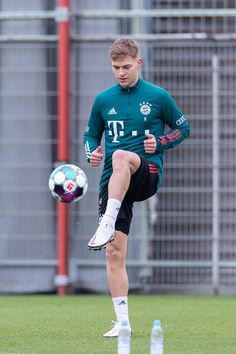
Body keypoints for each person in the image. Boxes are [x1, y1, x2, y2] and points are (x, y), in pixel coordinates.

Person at [83, 38, 190, 337]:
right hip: (113, 182)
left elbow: (184, 128)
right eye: (116, 67)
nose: (121, 72)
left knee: (120, 155)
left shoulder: (157, 96)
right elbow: (91, 134)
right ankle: (123, 323)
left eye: (126, 67)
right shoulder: (103, 100)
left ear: (138, 63)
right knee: (114, 254)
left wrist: (161, 142)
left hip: (147, 172)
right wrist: (91, 151)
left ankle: (106, 222)